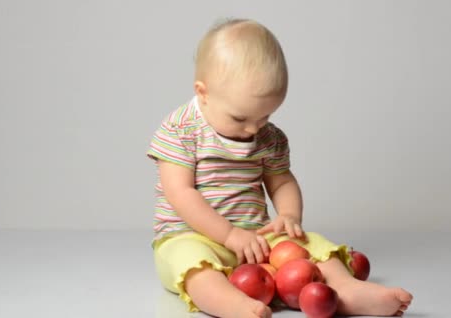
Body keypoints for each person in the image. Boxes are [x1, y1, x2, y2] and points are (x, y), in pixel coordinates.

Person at [146, 18, 413, 318]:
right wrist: (229, 235)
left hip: (254, 240)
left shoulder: (268, 136)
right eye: (239, 118)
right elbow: (180, 193)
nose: (251, 129)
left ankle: (346, 289)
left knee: (310, 244)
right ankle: (230, 304)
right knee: (192, 264)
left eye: (264, 117)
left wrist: (288, 216)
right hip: (190, 235)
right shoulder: (180, 130)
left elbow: (282, 181)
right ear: (203, 92)